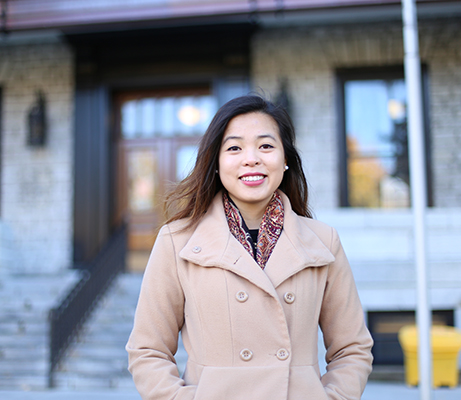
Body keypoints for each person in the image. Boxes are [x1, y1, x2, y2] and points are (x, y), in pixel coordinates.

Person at [126, 95, 373, 400]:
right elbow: (147, 350)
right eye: (234, 148)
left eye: (266, 146)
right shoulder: (178, 241)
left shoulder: (323, 241)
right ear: (216, 163)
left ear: (285, 159)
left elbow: (353, 349)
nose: (251, 158)